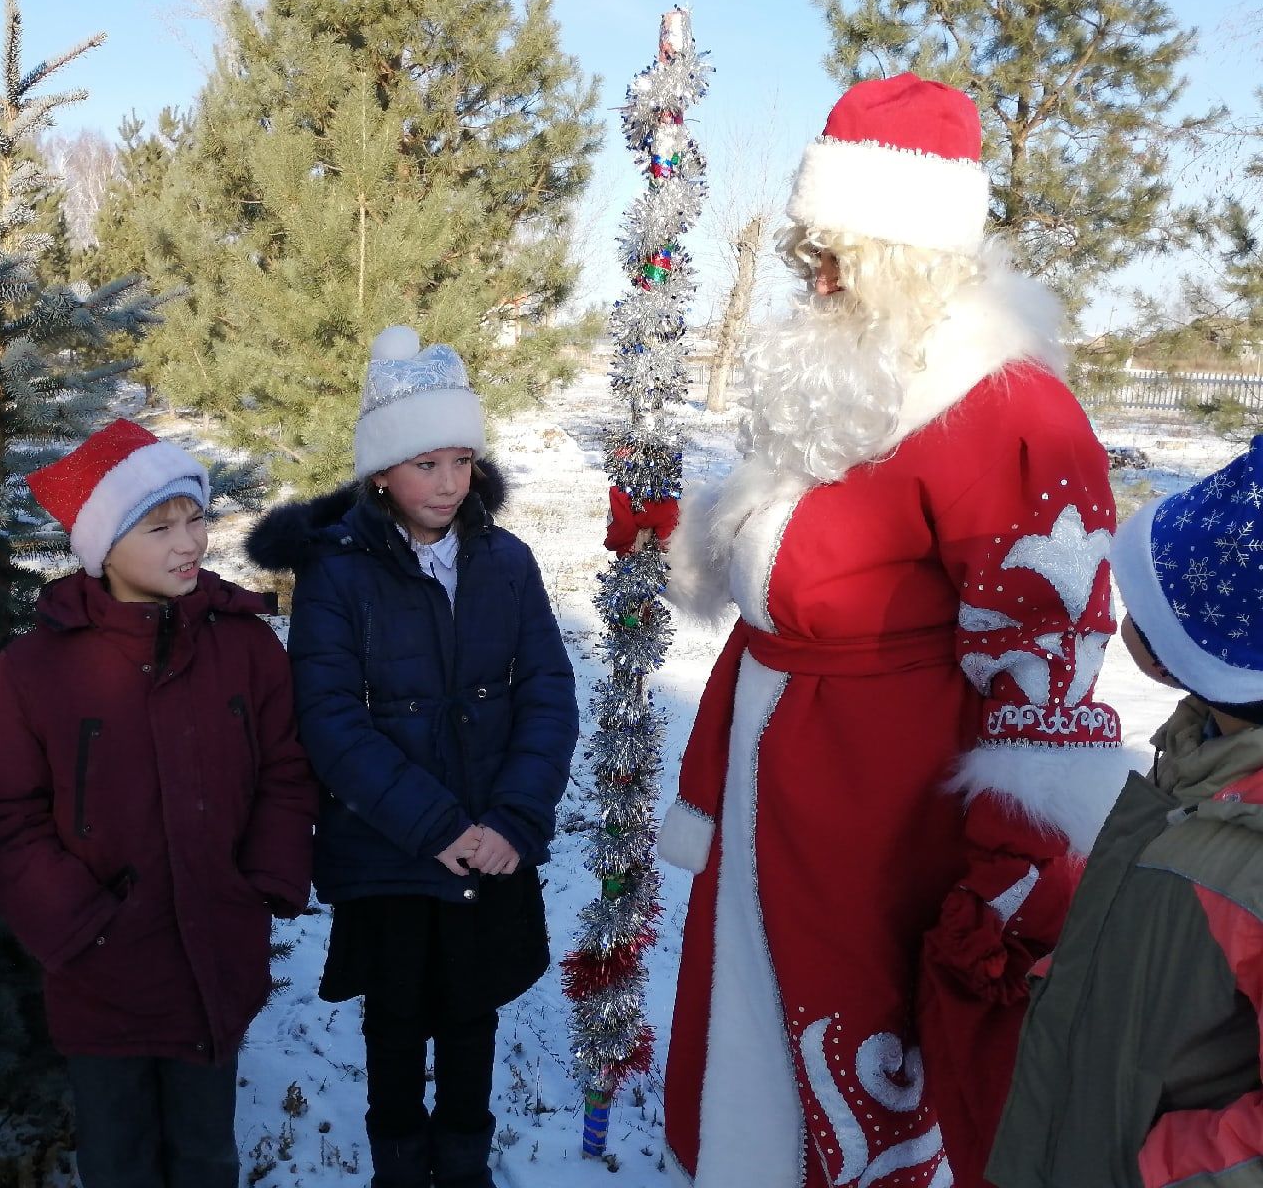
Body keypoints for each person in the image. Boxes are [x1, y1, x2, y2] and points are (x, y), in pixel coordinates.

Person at [656, 73, 1129, 1188]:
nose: (812, 274)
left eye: (838, 253)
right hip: (780, 794)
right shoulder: (852, 378)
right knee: (752, 1046)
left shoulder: (1004, 407)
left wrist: (1008, 881)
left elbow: (1049, 670)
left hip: (882, 824)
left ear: (905, 256)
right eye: (807, 247)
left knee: (856, 1071)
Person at [245, 327, 578, 1188]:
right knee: (395, 1017)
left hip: (492, 839)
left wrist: (512, 821)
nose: (447, 483)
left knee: (471, 1012)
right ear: (382, 472)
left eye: (460, 462)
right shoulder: (338, 571)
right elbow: (326, 716)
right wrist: (433, 825)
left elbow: (546, 691)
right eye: (424, 464)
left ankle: (463, 1158)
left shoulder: (506, 562)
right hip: (388, 847)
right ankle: (396, 1161)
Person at [0, 418, 317, 1188]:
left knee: (203, 1151)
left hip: (215, 948)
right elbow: (1, 815)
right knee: (118, 1154)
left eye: (196, 518)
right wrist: (80, 925)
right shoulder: (34, 670)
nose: (189, 541)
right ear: (102, 548)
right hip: (101, 968)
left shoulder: (245, 645)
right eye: (160, 527)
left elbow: (287, 770)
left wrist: (259, 884)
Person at [988, 438, 1263, 1187]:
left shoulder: (1244, 851)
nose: (1115, 618)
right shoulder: (1199, 763)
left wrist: (1153, 1173)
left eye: (1143, 599)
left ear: (1202, 650)